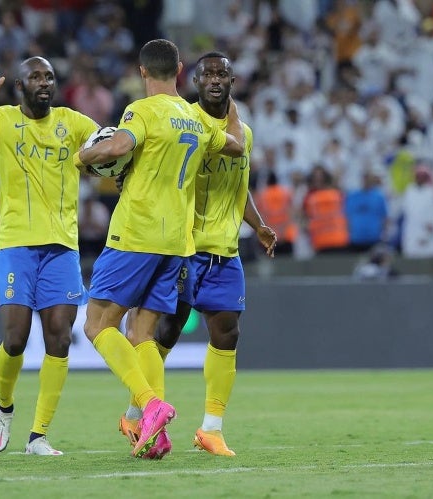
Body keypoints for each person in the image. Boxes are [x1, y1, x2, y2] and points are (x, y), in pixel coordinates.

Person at [75, 40, 246, 459]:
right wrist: (234, 109)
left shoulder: (142, 110)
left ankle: (151, 405)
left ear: (142, 72)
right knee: (142, 333)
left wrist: (84, 156)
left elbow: (117, 147)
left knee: (97, 325)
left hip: (137, 234)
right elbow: (237, 145)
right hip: (178, 243)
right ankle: (158, 434)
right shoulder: (193, 116)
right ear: (181, 70)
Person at [120, 51, 276, 457]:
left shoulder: (246, 133)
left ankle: (211, 428)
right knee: (166, 332)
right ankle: (137, 413)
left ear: (232, 80)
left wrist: (257, 225)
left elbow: (238, 186)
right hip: (184, 247)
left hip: (226, 252)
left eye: (221, 73)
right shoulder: (184, 123)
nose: (214, 79)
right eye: (206, 73)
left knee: (228, 332)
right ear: (193, 80)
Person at [0, 58, 99, 455]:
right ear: (20, 86)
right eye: (36, 78)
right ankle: (4, 407)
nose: (44, 83)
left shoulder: (73, 123)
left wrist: (112, 156)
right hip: (16, 246)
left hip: (62, 248)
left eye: (50, 77)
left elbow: (107, 143)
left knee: (59, 338)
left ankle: (38, 435)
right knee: (16, 338)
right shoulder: (3, 121)